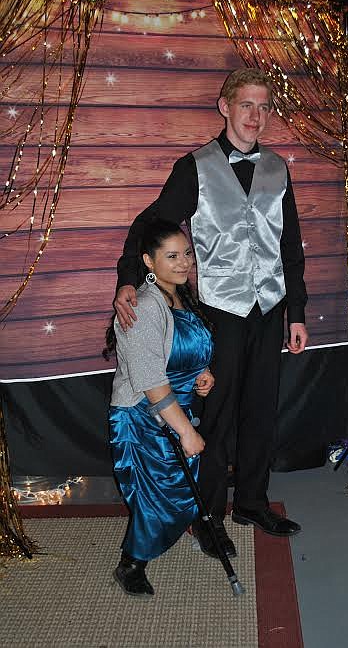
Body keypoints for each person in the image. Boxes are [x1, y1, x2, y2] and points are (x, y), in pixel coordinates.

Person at [114, 68, 308, 560]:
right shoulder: (194, 166)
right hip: (221, 309)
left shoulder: (277, 168)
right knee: (217, 416)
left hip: (269, 306)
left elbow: (290, 246)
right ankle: (211, 517)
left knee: (262, 407)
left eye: (264, 107)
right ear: (224, 107)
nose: (256, 116)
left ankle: (252, 502)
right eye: (247, 105)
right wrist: (127, 279)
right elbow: (150, 224)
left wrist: (298, 312)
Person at [105, 218, 214, 597]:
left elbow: (182, 351)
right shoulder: (144, 307)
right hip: (144, 417)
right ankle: (131, 562)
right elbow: (151, 382)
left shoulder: (181, 297)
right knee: (154, 495)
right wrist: (186, 431)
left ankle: (193, 525)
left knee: (182, 487)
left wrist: (204, 373)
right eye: (172, 256)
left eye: (186, 253)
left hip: (179, 407)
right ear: (148, 262)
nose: (184, 262)